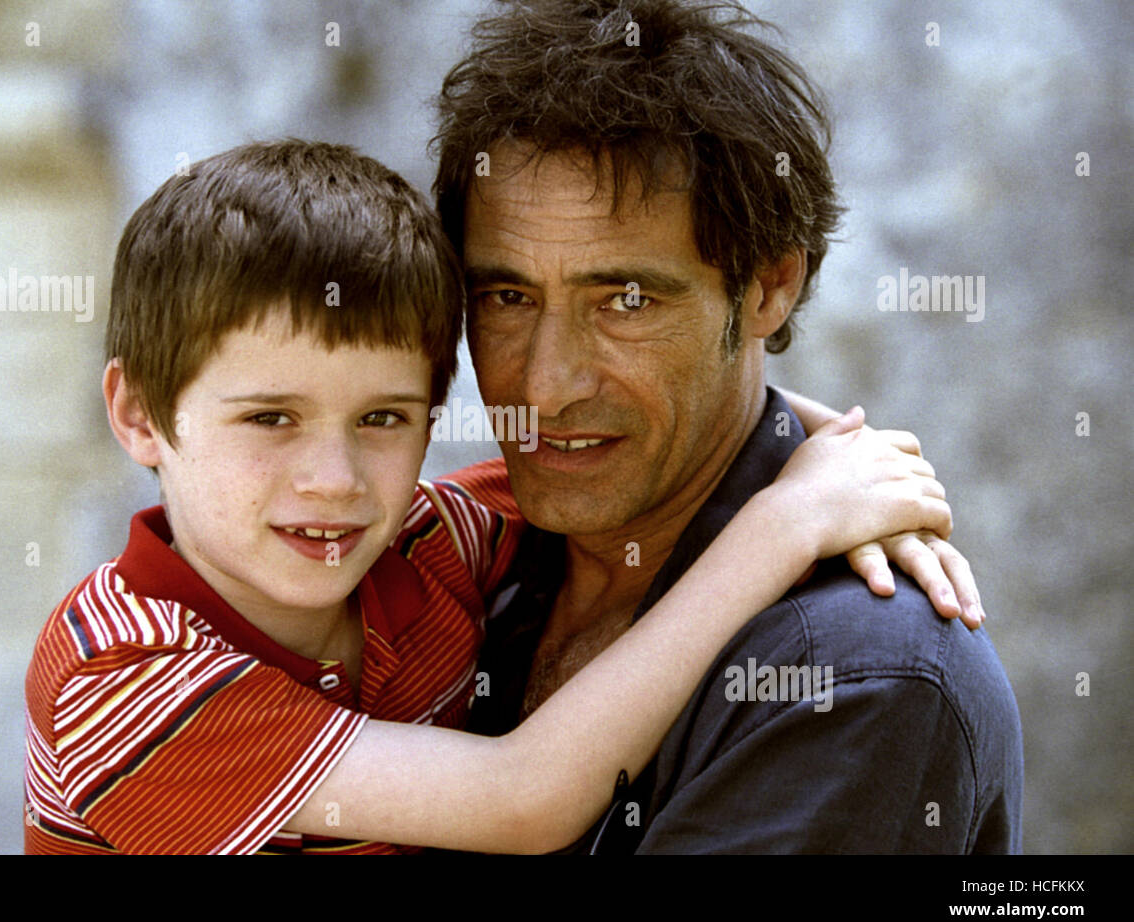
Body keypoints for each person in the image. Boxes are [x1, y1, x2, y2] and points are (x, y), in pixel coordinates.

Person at [24, 139, 964, 854]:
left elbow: (658, 450)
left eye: (385, 419)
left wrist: (842, 461)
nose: (336, 480)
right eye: (270, 419)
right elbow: (523, 797)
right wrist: (790, 523)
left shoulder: (432, 544)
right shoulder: (122, 675)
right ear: (140, 413)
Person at [432, 0, 1024, 852]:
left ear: (769, 287)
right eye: (507, 297)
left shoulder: (855, 675)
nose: (545, 386)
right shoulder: (445, 568)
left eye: (625, 300)